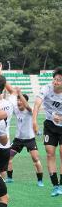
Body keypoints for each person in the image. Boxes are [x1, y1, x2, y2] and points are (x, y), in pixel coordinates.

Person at [32, 67, 62, 196]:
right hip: (50, 125)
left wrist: (60, 117)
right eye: (55, 79)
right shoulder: (46, 88)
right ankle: (55, 186)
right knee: (50, 154)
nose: (56, 82)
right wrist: (34, 121)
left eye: (59, 80)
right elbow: (37, 104)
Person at [7, 88, 44, 186]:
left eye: (20, 100)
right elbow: (9, 102)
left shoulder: (30, 111)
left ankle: (40, 180)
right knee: (8, 158)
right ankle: (9, 178)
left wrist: (19, 93)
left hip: (30, 140)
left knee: (36, 159)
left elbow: (27, 106)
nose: (19, 102)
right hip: (18, 140)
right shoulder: (15, 109)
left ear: (24, 101)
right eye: (17, 100)